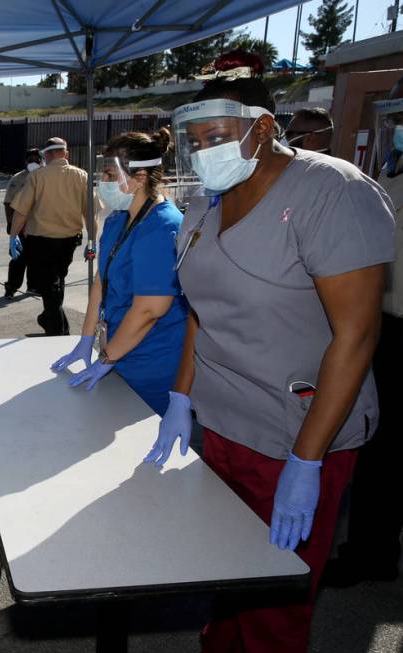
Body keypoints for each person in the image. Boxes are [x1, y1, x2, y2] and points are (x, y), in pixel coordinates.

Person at [149, 52, 395, 652]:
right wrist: (182, 396)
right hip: (226, 424)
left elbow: (357, 334)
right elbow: (199, 310)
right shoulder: (209, 199)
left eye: (217, 137)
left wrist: (308, 460)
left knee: (274, 599)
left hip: (299, 430)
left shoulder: (331, 192)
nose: (205, 151)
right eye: (196, 140)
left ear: (262, 126)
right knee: (229, 572)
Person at [321, 74, 403, 588]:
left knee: (384, 451)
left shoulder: (385, 189)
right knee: (385, 453)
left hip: (390, 331)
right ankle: (373, 550)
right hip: (387, 327)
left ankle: (371, 552)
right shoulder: (387, 184)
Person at [51, 129, 186, 416]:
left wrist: (107, 359)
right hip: (117, 350)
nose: (103, 182)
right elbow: (102, 281)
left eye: (111, 175)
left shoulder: (163, 228)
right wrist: (87, 338)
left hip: (151, 362)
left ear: (139, 178)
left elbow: (150, 309)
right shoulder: (117, 220)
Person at [9, 137, 91, 335]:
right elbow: (90, 211)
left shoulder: (37, 177)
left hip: (42, 241)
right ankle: (53, 321)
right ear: (66, 153)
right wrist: (93, 240)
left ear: (46, 155)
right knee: (57, 279)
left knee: (48, 285)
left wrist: (13, 236)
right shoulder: (82, 176)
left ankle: (56, 328)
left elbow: (21, 211)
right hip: (70, 240)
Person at [2, 148, 42, 298]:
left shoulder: (45, 177)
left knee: (35, 259)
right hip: (21, 225)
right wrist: (10, 224)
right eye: (30, 160)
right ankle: (11, 288)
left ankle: (33, 286)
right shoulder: (18, 179)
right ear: (25, 161)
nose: (33, 162)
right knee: (18, 259)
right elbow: (8, 203)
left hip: (39, 226)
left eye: (36, 160)